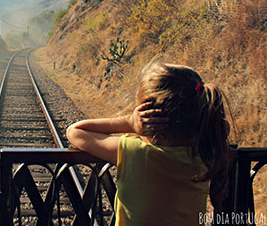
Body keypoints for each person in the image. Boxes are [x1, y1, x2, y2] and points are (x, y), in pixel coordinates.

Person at [66, 61, 231, 225]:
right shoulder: (204, 154)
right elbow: (223, 128)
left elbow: (74, 131)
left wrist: (130, 123)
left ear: (146, 116)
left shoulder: (133, 152)